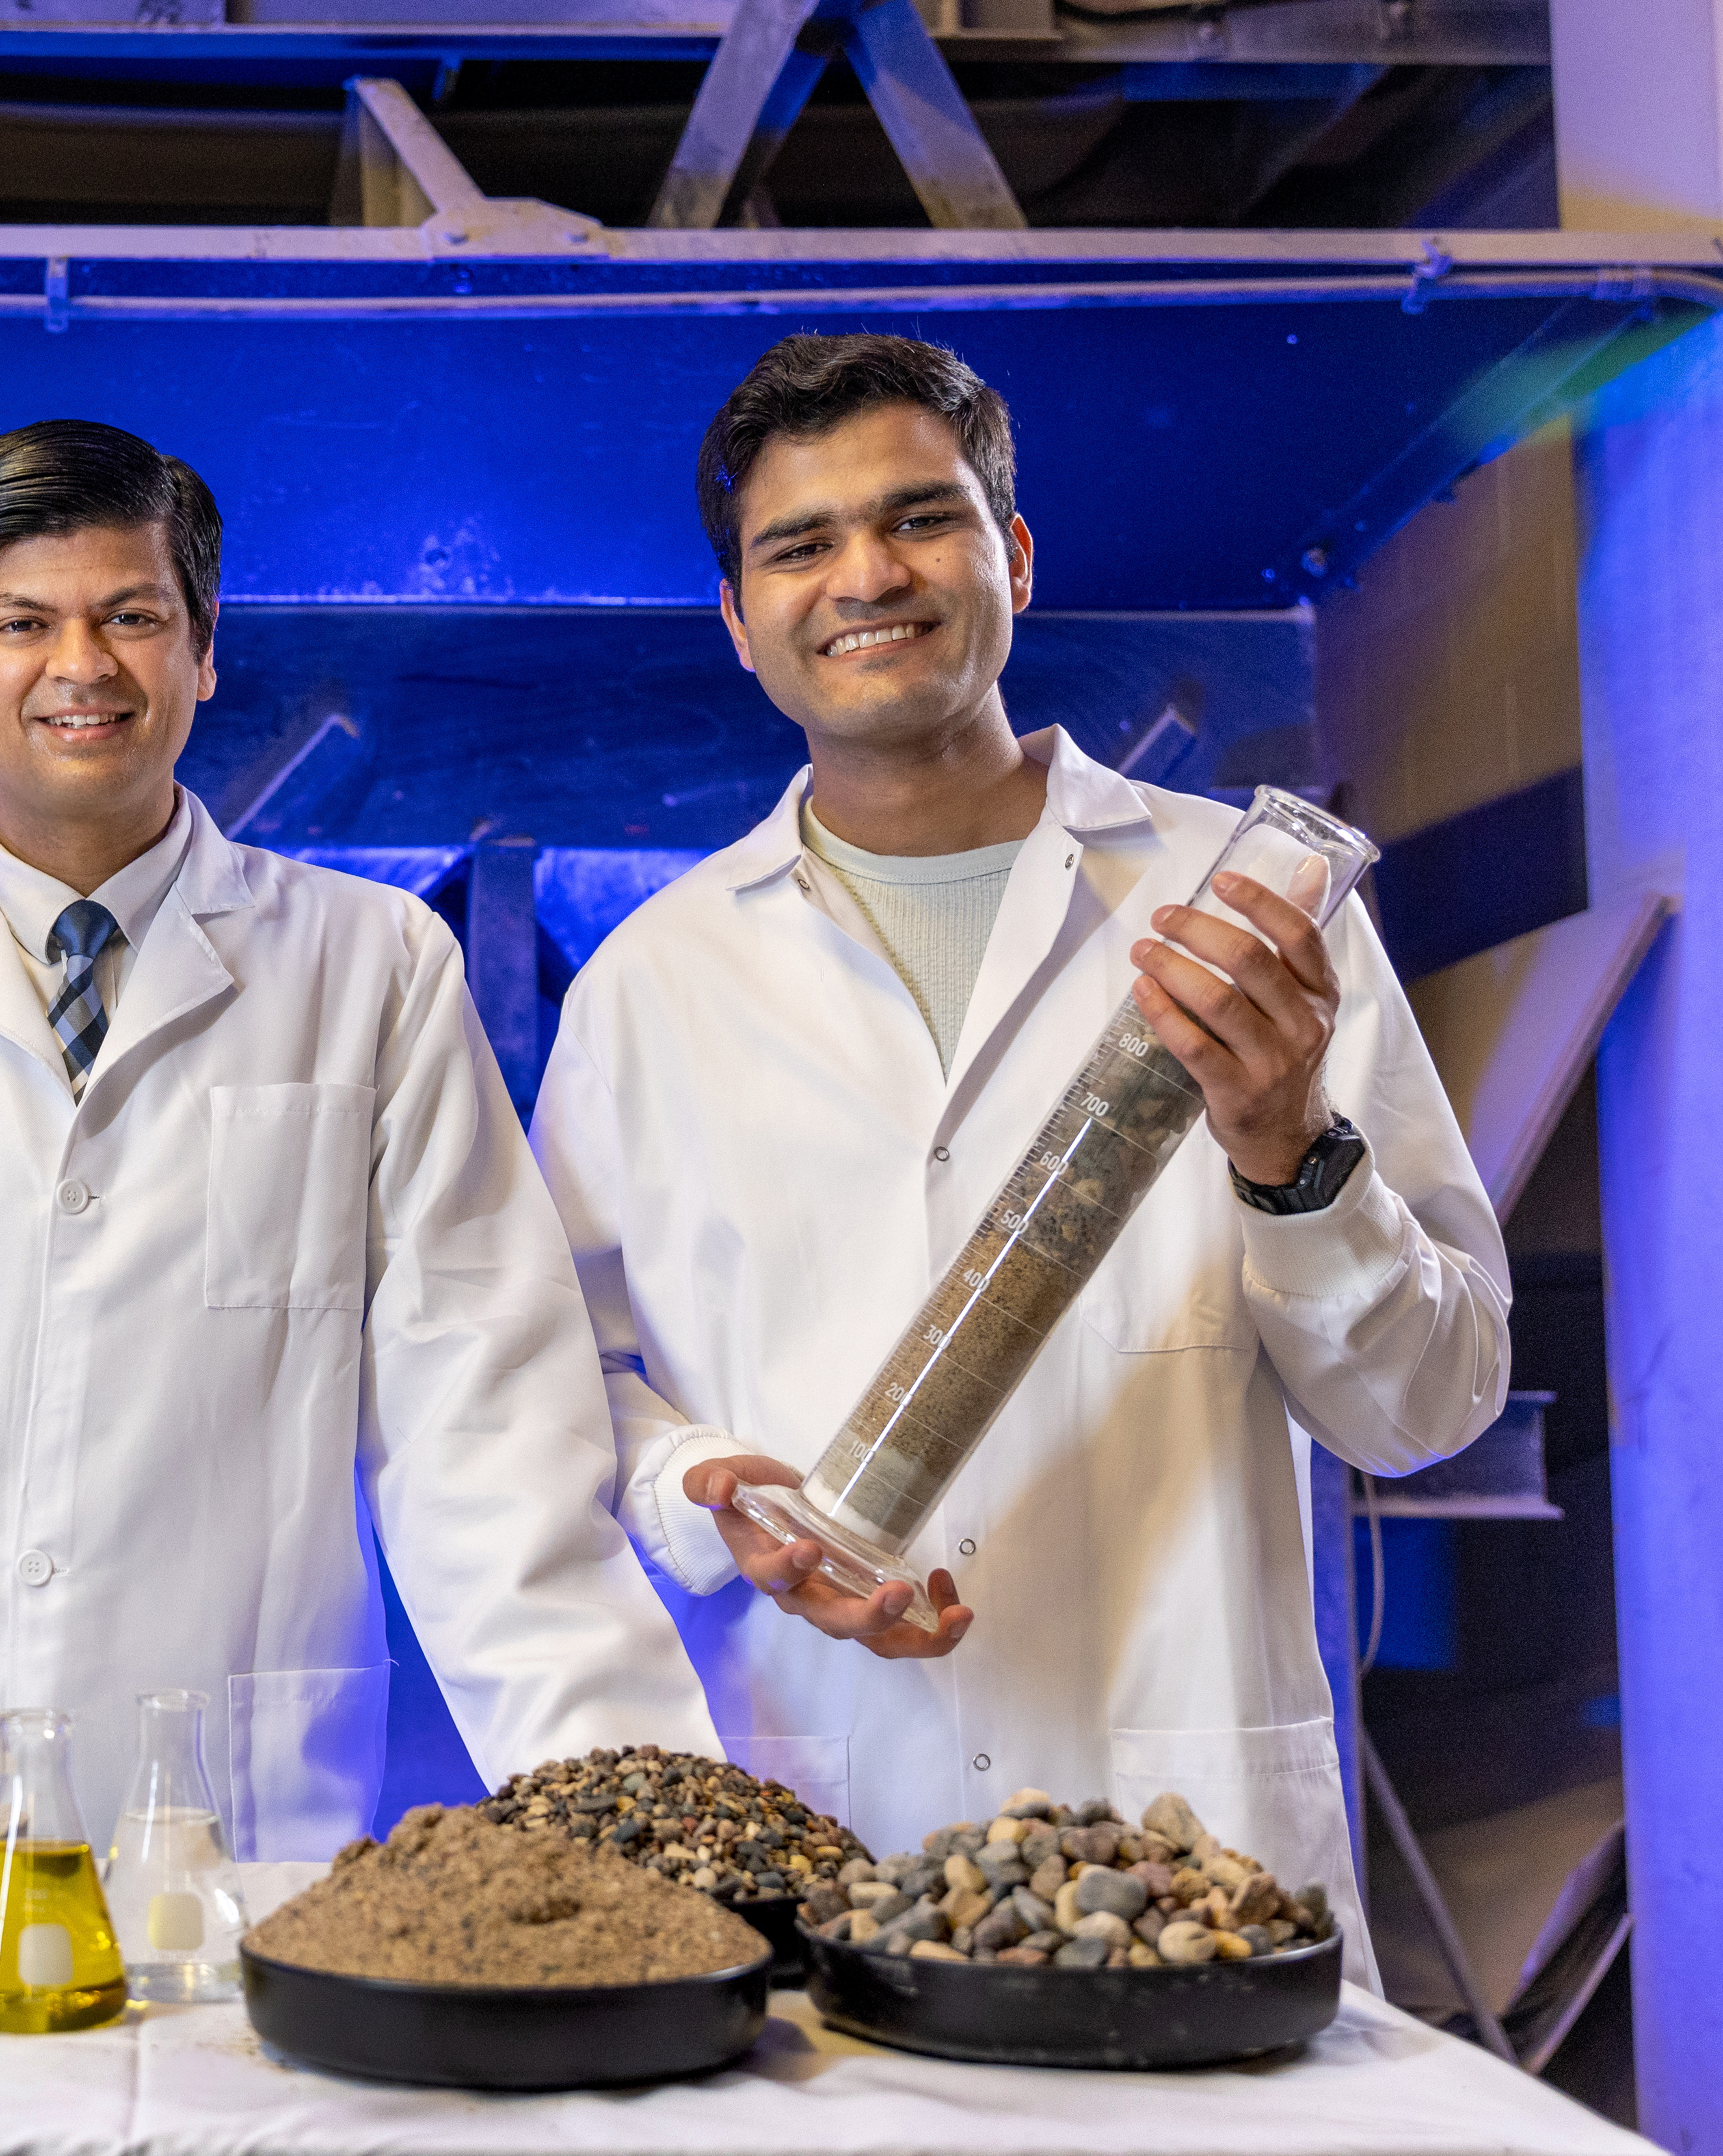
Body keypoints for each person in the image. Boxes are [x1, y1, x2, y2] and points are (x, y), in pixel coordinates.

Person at [0, 420, 718, 1853]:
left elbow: (492, 1455)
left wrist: (651, 1837)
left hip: (240, 1823)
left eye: (133, 617)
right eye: (22, 623)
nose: (81, 667)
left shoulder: (374, 973)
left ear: (204, 652)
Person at [530, 334, 1508, 1979]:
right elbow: (567, 1381)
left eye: (921, 518)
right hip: (831, 1824)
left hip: (1189, 1850)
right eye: (798, 544)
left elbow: (1425, 1406)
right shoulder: (652, 981)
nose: (866, 575)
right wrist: (708, 1489)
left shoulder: (1244, 913)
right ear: (737, 620)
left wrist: (1287, 1151)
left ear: (1015, 558)